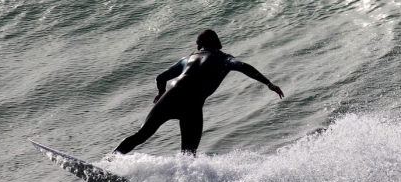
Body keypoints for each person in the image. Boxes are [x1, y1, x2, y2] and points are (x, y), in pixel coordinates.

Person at [113, 29, 284, 156]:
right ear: (217, 43)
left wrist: (161, 93)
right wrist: (268, 83)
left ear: (200, 45)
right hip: (192, 105)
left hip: (171, 97)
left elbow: (161, 77)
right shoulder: (223, 58)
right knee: (188, 154)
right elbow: (242, 66)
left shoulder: (188, 59)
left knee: (141, 135)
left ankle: (108, 161)